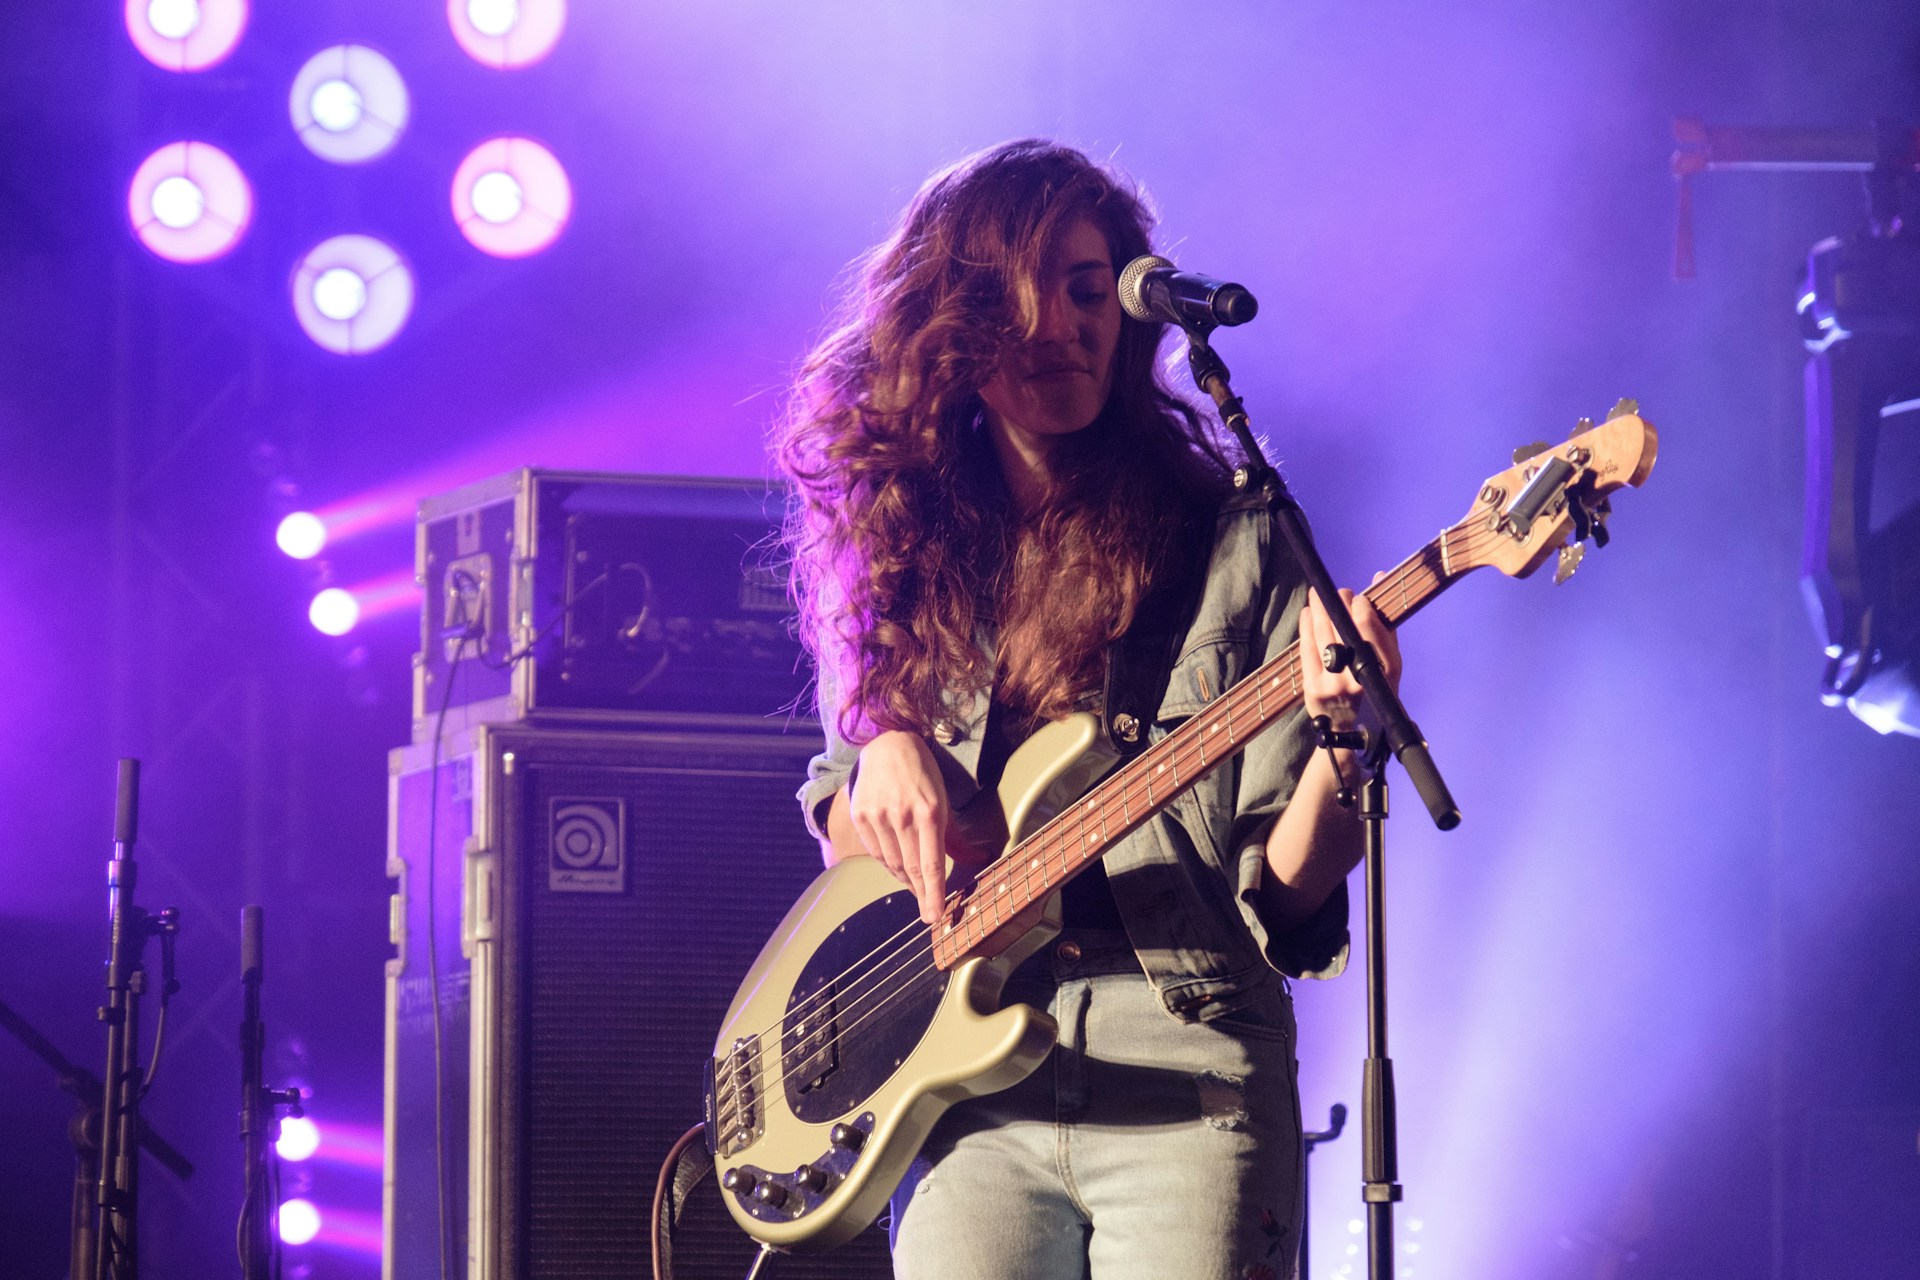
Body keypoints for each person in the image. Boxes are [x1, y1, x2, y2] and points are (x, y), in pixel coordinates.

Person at [775, 139, 1401, 1280]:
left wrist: (1344, 754)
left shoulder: (1232, 534)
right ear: (956, 325)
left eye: (1087, 286)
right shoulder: (905, 552)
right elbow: (845, 836)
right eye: (1023, 294)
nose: (1064, 323)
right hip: (967, 1085)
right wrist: (883, 751)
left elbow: (1284, 890)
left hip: (1190, 1062)